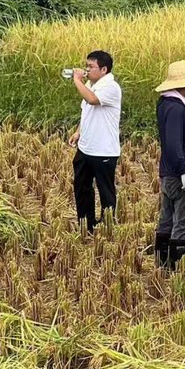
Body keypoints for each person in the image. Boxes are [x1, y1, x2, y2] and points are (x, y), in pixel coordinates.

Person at [153, 60, 185, 271]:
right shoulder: (176, 109)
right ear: (183, 85)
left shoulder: (166, 103)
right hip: (178, 173)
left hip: (168, 173)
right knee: (184, 222)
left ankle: (162, 264)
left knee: (167, 219)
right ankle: (177, 269)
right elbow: (174, 144)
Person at [68, 50, 122, 233]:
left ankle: (107, 228)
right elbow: (87, 112)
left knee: (105, 191)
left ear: (104, 69)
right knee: (82, 188)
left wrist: (76, 80)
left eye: (91, 67)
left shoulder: (111, 87)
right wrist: (78, 132)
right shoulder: (92, 84)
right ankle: (86, 225)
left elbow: (92, 100)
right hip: (85, 149)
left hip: (103, 151)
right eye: (87, 66)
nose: (86, 70)